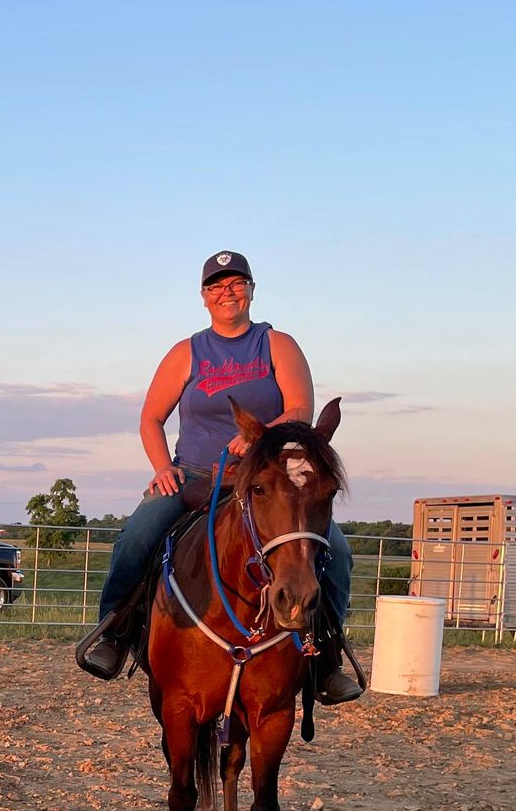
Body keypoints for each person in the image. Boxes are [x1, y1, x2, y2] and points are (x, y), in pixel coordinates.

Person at [77, 251, 361, 702]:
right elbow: (151, 419)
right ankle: (113, 633)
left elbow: (300, 410)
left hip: (266, 478)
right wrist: (162, 468)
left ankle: (326, 657)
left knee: (337, 552)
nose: (227, 292)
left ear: (251, 290)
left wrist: (259, 437)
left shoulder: (277, 344)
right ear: (204, 296)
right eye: (216, 286)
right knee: (137, 535)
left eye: (236, 283)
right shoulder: (186, 352)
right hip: (194, 476)